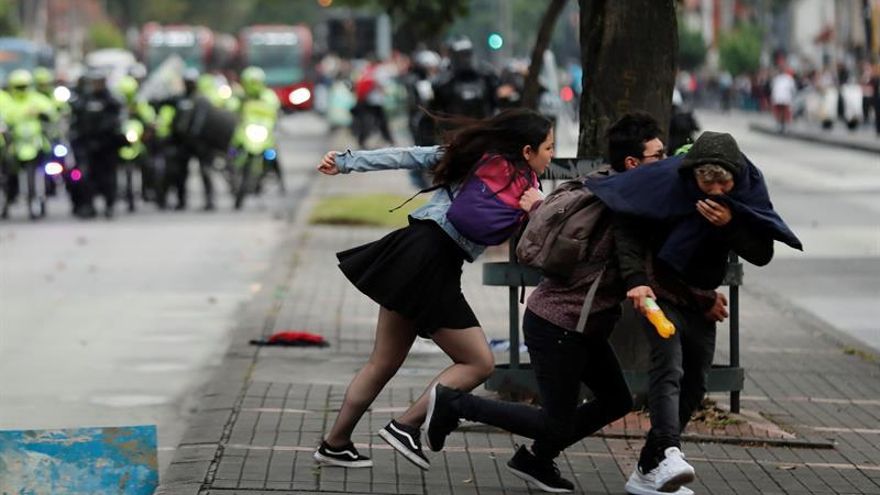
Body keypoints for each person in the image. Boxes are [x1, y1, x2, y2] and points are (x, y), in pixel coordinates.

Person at [422, 112, 667, 493]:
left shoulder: (615, 188)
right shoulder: (617, 206)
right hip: (559, 325)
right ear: (633, 163)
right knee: (556, 421)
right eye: (658, 155)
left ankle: (536, 459)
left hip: (585, 325)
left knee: (616, 400)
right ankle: (454, 404)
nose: (665, 161)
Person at [312, 108, 553, 471]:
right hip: (432, 262)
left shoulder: (481, 158)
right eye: (548, 148)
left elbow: (409, 155)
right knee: (478, 362)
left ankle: (335, 443)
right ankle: (406, 425)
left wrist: (347, 162)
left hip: (412, 251)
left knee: (383, 362)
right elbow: (535, 246)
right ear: (527, 151)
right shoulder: (506, 176)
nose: (552, 156)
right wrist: (539, 211)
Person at [586, 131, 802, 495]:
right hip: (659, 292)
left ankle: (648, 469)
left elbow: (762, 252)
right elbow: (628, 227)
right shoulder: (667, 185)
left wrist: (730, 224)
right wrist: (635, 280)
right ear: (692, 176)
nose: (715, 191)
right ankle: (670, 452)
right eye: (707, 183)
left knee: (695, 383)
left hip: (701, 297)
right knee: (668, 367)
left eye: (723, 183)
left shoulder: (746, 190)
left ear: (735, 178)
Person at [770, 68, 797, 132]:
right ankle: (783, 126)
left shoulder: (777, 78)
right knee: (784, 112)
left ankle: (781, 126)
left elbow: (772, 88)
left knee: (781, 112)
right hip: (784, 98)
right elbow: (793, 89)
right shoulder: (788, 79)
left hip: (780, 98)